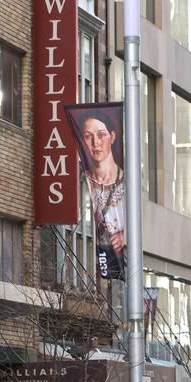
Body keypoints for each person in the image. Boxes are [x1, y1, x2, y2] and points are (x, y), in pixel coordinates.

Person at [77, 114, 126, 279]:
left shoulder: (126, 183)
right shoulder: (82, 178)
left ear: (112, 137)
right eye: (88, 136)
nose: (95, 142)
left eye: (101, 135)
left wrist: (125, 238)